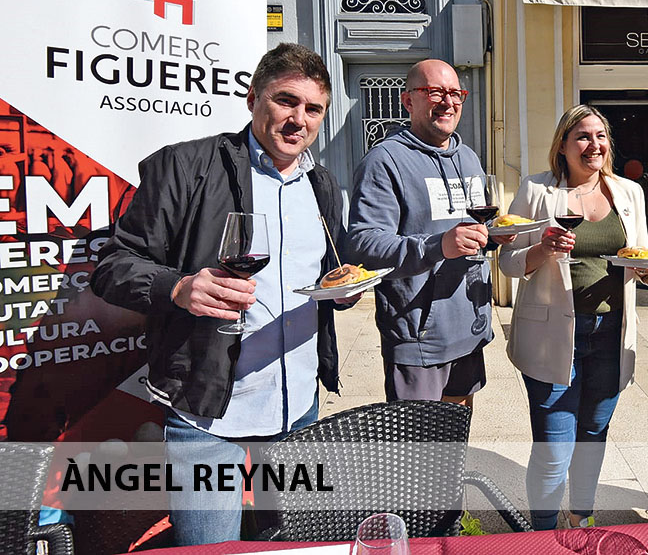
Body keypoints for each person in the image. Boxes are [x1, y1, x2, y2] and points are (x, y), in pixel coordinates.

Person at [91, 43, 359, 546]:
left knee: (295, 548)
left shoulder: (322, 184)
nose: (298, 120)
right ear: (253, 98)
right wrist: (177, 287)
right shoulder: (184, 166)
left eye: (313, 109)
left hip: (299, 408)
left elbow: (325, 270)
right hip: (207, 414)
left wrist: (340, 291)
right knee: (212, 550)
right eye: (286, 101)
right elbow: (112, 266)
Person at [499, 105, 648, 530]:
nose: (593, 145)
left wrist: (644, 268)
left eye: (600, 136)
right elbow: (507, 262)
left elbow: (639, 255)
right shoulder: (537, 190)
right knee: (554, 449)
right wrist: (541, 249)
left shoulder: (628, 193)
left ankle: (580, 519)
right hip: (552, 336)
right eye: (583, 136)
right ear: (563, 145)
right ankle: (544, 533)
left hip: (611, 334)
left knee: (593, 438)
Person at [346, 59, 510, 407]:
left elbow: (474, 232)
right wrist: (438, 246)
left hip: (469, 329)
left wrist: (494, 237)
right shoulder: (384, 161)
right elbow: (364, 244)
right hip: (418, 338)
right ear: (408, 101)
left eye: (455, 93)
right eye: (434, 92)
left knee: (455, 435)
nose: (447, 102)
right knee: (419, 441)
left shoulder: (468, 158)